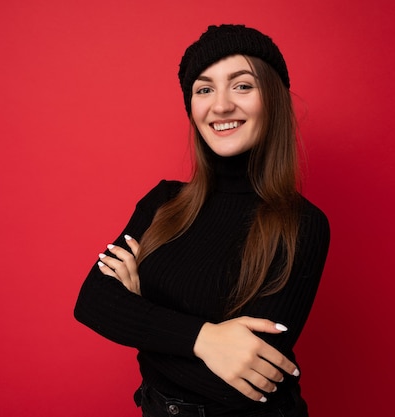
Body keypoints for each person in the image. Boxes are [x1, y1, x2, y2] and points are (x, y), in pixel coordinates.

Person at [74, 24, 330, 417]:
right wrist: (206, 340)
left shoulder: (302, 225)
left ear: (274, 99)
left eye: (242, 85)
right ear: (192, 108)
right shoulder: (163, 202)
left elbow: (241, 388)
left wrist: (136, 311)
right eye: (204, 89)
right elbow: (92, 302)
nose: (221, 105)